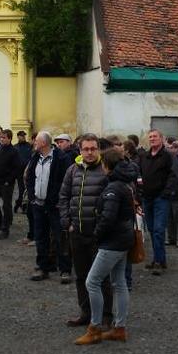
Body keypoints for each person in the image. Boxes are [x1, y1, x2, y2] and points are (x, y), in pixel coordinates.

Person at [74, 148, 135, 346]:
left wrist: (95, 236)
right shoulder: (125, 184)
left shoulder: (112, 188)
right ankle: (119, 328)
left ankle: (95, 328)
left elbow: (108, 218)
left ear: (107, 165)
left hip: (112, 242)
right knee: (119, 282)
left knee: (92, 282)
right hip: (124, 240)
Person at [59, 133, 113, 328]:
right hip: (77, 232)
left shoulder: (106, 171)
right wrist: (67, 223)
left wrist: (103, 228)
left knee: (102, 277)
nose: (89, 152)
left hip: (99, 235)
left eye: (93, 149)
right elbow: (64, 196)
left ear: (98, 149)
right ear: (80, 150)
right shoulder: (72, 170)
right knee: (81, 276)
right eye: (86, 149)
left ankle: (106, 316)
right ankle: (86, 312)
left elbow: (111, 201)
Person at [26, 132, 71, 283]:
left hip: (55, 206)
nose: (34, 143)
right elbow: (30, 177)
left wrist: (60, 200)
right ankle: (42, 267)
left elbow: (66, 181)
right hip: (38, 204)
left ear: (44, 143)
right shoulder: (35, 158)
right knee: (41, 237)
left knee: (60, 238)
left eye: (36, 141)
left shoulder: (61, 158)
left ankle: (65, 270)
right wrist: (32, 196)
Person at [136, 128, 177, 275]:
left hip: (161, 198)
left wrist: (166, 193)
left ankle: (159, 261)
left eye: (155, 137)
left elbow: (173, 175)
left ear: (161, 138)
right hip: (147, 197)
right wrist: (139, 193)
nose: (152, 139)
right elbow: (138, 174)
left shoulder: (168, 156)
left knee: (159, 229)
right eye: (150, 137)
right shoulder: (144, 156)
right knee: (152, 229)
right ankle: (159, 259)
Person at [14, 130, 32, 214]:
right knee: (22, 189)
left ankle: (20, 204)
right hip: (18, 172)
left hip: (28, 171)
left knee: (26, 189)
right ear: (18, 137)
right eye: (21, 136)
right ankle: (21, 204)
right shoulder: (15, 147)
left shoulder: (29, 146)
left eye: (24, 136)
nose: (23, 137)